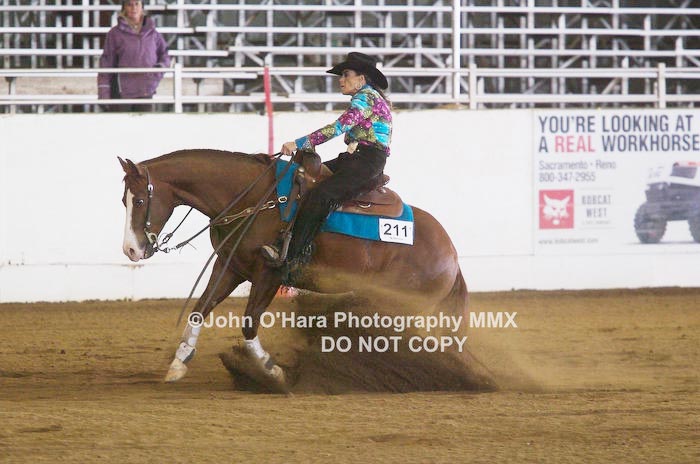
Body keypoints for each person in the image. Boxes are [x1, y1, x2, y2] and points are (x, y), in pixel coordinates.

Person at [262, 52, 392, 267]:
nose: (341, 79)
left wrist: (300, 143)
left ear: (361, 79)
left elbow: (339, 127)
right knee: (306, 178)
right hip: (355, 159)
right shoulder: (369, 97)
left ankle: (292, 255)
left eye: (346, 74)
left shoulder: (366, 97)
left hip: (365, 161)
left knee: (321, 194)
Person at [97, 0, 170, 111]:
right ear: (124, 8)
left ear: (142, 7)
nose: (133, 8)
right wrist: (103, 91)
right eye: (129, 4)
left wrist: (156, 73)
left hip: (145, 92)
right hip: (121, 93)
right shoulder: (115, 34)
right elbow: (106, 63)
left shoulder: (153, 33)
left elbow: (165, 55)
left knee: (143, 122)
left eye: (137, 4)